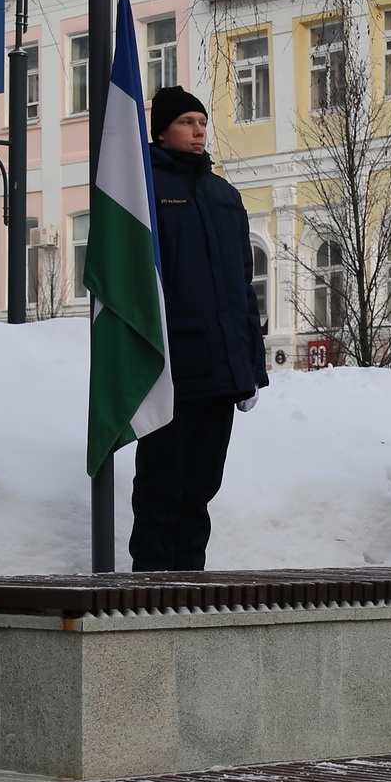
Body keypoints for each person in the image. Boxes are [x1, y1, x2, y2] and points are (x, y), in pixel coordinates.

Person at [129, 87, 267, 571]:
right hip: (171, 369)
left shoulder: (224, 196)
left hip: (221, 370)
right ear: (161, 132)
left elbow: (243, 287)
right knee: (161, 485)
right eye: (186, 122)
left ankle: (189, 581)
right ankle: (150, 587)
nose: (198, 131)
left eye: (202, 122)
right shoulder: (142, 190)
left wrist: (250, 369)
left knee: (201, 487)